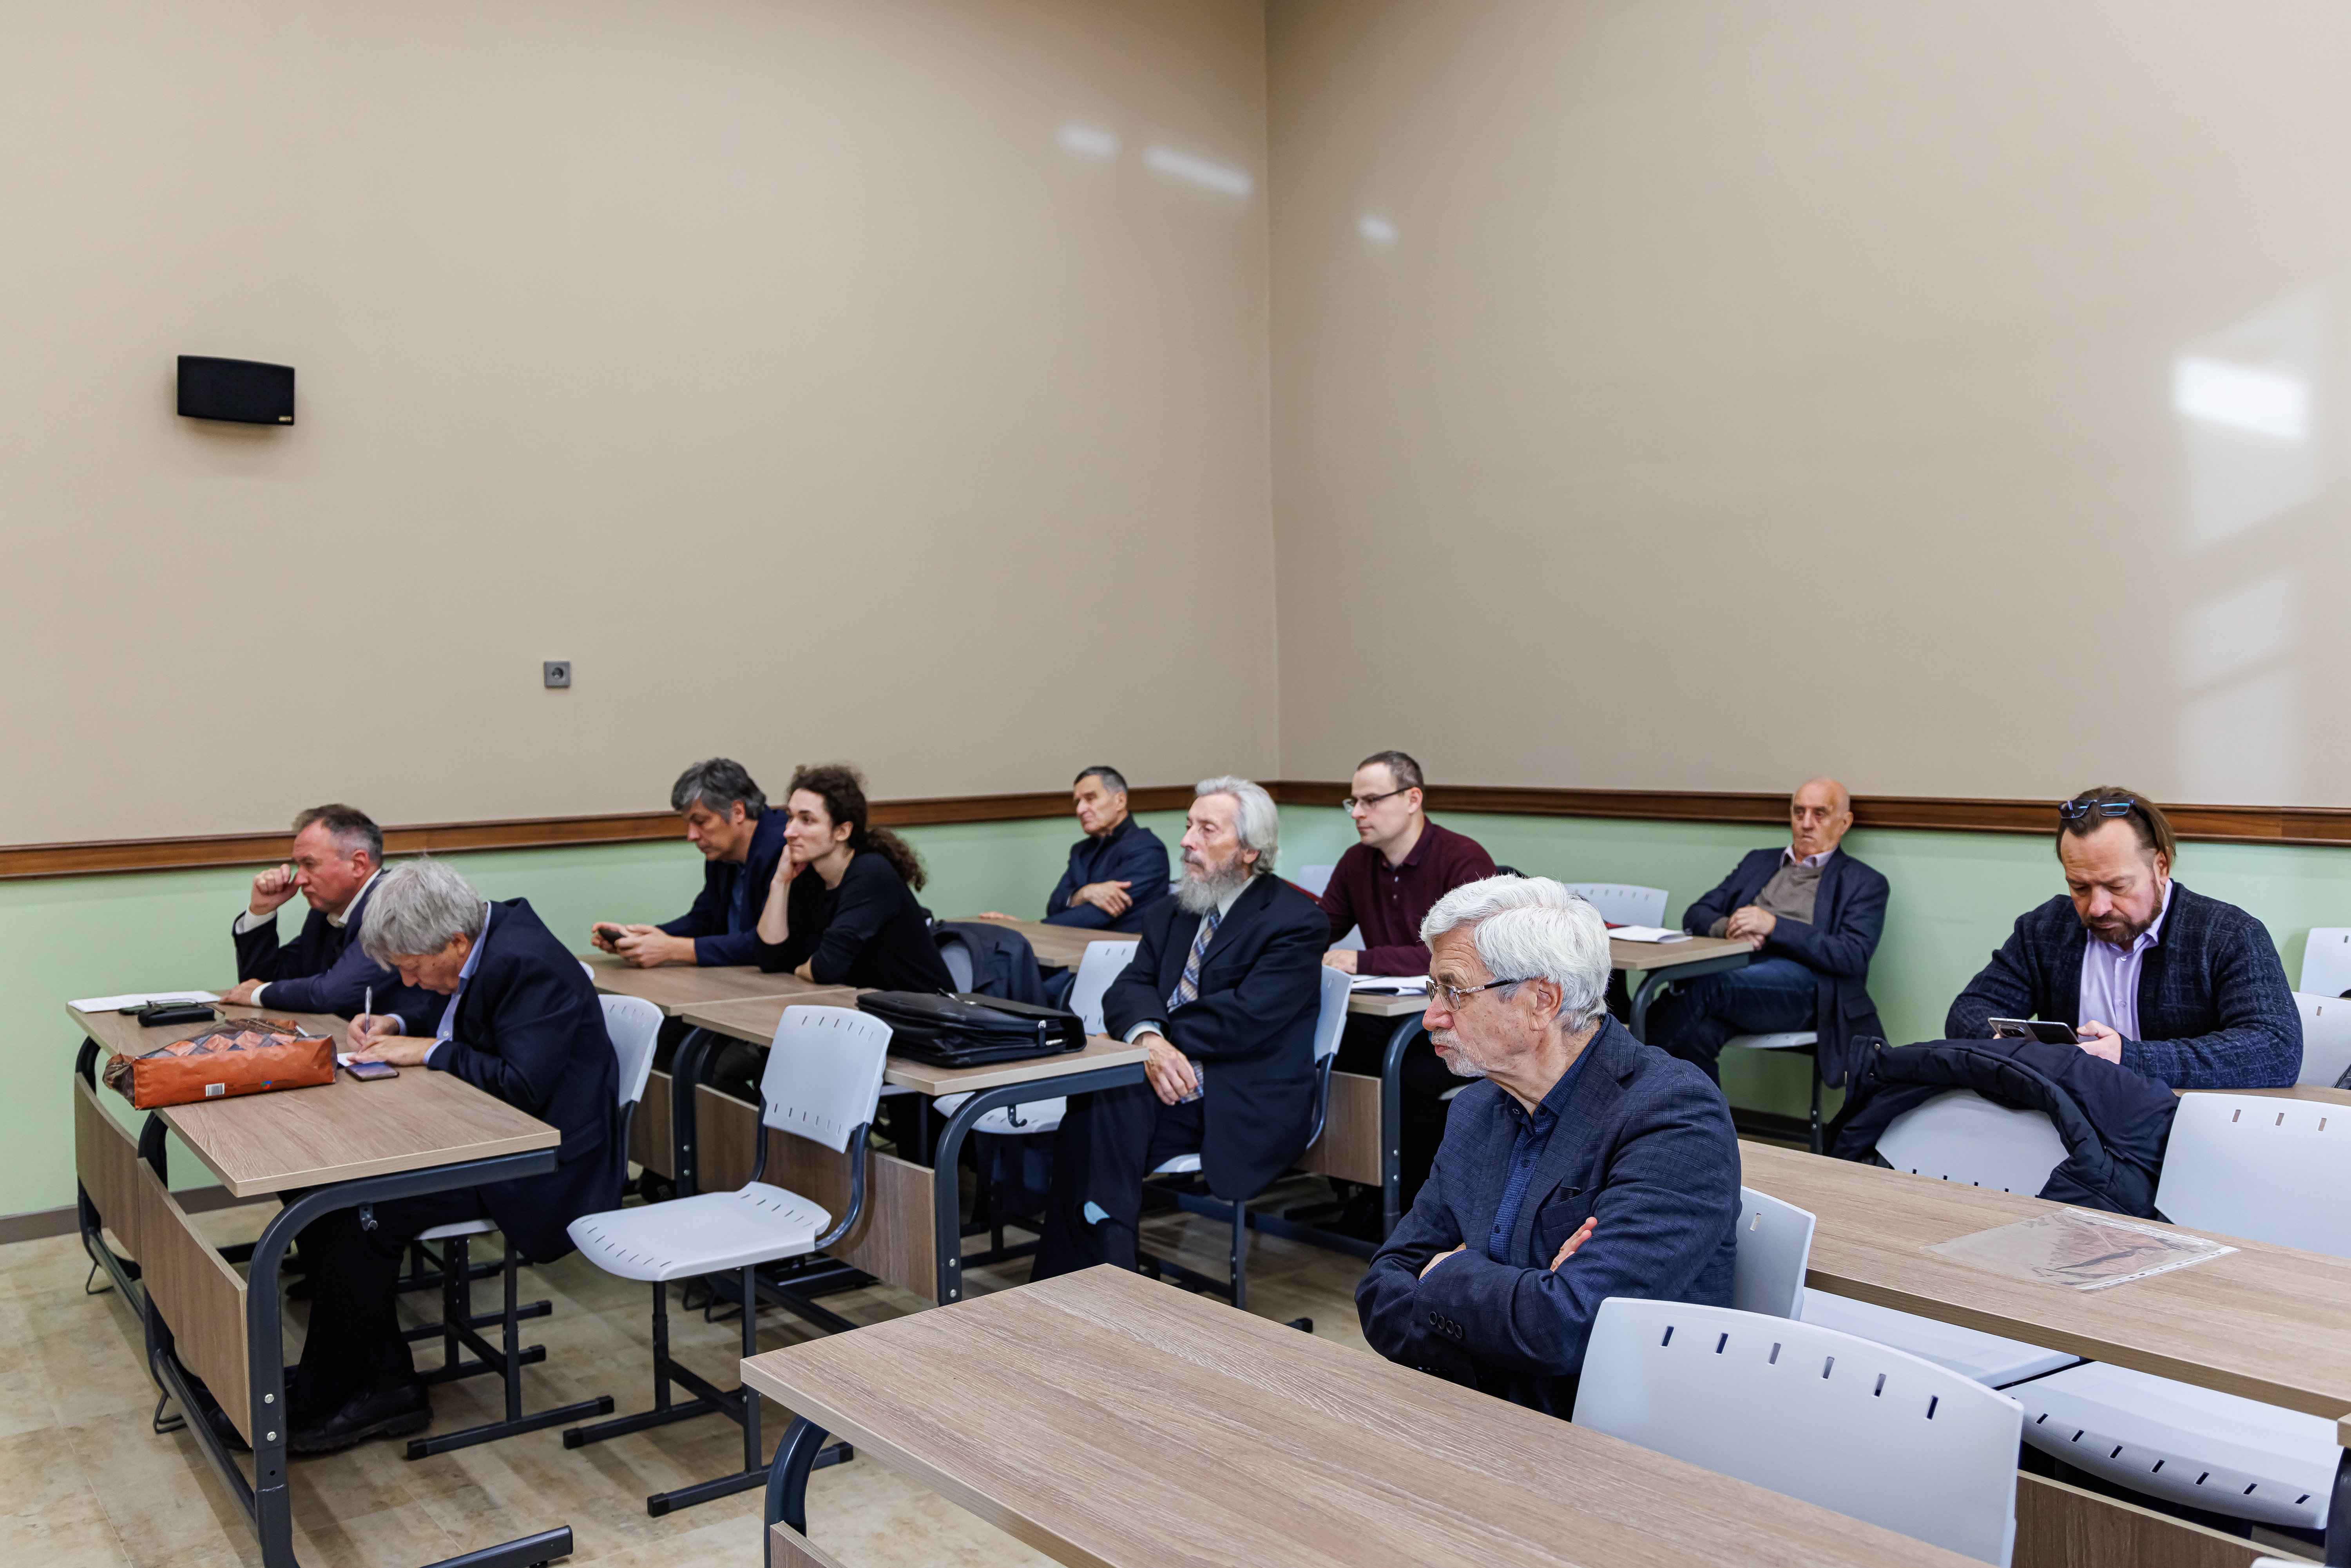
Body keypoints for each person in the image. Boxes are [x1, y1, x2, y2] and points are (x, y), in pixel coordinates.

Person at [1356, 877, 1740, 1418]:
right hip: (1483, 1418)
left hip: (1612, 1437)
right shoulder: (1476, 1108)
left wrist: (1443, 1273)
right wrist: (1528, 1292)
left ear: (1542, 1001)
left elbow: (1567, 1328)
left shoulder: (1673, 1115)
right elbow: (1380, 1291)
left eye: (1454, 991)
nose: (1432, 1016)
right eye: (1434, 989)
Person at [293, 859, 623, 1451]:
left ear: (456, 941)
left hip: (543, 1164)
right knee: (319, 1193)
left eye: (414, 969)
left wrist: (427, 1051)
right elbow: (457, 1011)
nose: (411, 981)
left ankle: (349, 1391)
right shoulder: (483, 936)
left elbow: (521, 1084)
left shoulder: (526, 963)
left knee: (358, 1210)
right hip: (484, 1134)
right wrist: (397, 1020)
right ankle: (371, 1378)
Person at [1032, 777, 1328, 1277]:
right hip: (1163, 1083)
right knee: (1104, 1102)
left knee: (1102, 1103)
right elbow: (1129, 987)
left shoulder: (1296, 921)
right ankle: (1107, 1262)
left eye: (1207, 830)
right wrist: (1148, 1040)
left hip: (1240, 1093)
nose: (1187, 841)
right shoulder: (1174, 910)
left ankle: (1088, 1274)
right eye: (1189, 825)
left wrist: (1153, 1041)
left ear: (1250, 850)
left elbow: (1242, 1019)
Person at [1947, 787, 2300, 1088]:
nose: (2097, 907)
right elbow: (1969, 1011)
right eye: (2079, 887)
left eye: (2117, 886)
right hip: (2069, 1123)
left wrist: (2128, 1057)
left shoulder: (2228, 934)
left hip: (2182, 1126)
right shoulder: (2045, 929)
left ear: (2161, 867)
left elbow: (2277, 1049)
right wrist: (2008, 1045)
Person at [1316, 750, 1497, 1220]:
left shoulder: (1462, 858)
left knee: (1408, 1077)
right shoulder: (1357, 862)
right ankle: (1364, 1191)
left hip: (1459, 1021)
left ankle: (1419, 1208)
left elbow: (1467, 955)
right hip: (1393, 1018)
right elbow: (1319, 927)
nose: (1357, 813)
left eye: (1371, 801)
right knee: (1335, 1057)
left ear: (1413, 799)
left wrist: (1364, 959)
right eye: (1353, 802)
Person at [1646, 777, 1889, 1090]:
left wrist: (1773, 926)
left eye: (1820, 814)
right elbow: (1697, 914)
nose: (1806, 824)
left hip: (1808, 989)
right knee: (1696, 1034)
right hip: (1739, 969)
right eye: (1799, 812)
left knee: (1705, 983)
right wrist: (1730, 928)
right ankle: (1701, 1120)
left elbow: (1852, 955)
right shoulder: (1758, 862)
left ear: (1844, 823)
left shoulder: (1864, 882)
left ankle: (1618, 1067)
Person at [222, 804, 437, 1031]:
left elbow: (335, 993)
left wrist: (258, 994)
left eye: (309, 864)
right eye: (298, 865)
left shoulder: (398, 906)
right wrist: (262, 910)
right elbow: (262, 982)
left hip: (413, 1044)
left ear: (358, 864)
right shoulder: (324, 912)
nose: (299, 879)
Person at [751, 763, 957, 992]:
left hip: (924, 1009)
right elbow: (770, 959)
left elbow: (826, 969)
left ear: (842, 831)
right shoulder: (808, 873)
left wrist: (799, 969)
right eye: (791, 818)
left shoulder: (871, 873)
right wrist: (780, 883)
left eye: (807, 820)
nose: (789, 832)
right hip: (862, 1005)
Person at [591, 758, 785, 968]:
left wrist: (673, 949)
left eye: (701, 822)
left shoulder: (783, 848)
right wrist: (640, 939)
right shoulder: (722, 852)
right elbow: (703, 919)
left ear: (738, 812)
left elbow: (766, 944)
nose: (692, 836)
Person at [1041, 766, 1170, 934]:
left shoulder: (1147, 849)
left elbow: (1097, 915)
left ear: (1120, 801)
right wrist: (1085, 893)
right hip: (1073, 943)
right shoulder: (1081, 851)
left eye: (1090, 799)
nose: (1080, 810)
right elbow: (1054, 907)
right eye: (1078, 802)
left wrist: (1034, 929)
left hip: (1126, 948)